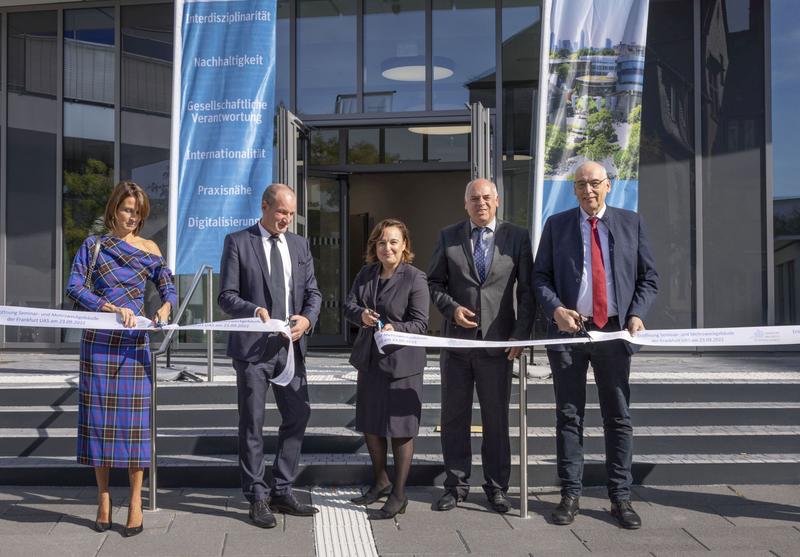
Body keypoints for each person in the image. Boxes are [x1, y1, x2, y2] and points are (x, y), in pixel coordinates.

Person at [533, 161, 658, 529]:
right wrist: (555, 309)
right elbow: (540, 276)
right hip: (570, 334)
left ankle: (620, 497)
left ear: (609, 186)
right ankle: (570, 494)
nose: (588, 190)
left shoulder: (631, 223)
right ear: (573, 190)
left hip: (615, 332)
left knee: (617, 417)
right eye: (581, 184)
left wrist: (636, 313)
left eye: (595, 183)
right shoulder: (557, 226)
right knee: (569, 416)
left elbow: (649, 277)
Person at [65, 181, 177, 537]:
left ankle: (135, 502)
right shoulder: (93, 245)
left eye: (138, 212)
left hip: (133, 346)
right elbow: (75, 287)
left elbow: (168, 285)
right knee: (99, 423)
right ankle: (103, 498)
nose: (133, 217)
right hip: (98, 343)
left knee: (134, 427)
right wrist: (107, 307)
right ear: (114, 208)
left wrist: (165, 305)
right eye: (128, 210)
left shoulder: (149, 248)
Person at [218, 183, 322, 529]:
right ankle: (257, 496)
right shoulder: (238, 242)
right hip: (254, 351)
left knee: (299, 415)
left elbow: (313, 293)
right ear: (264, 207)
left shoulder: (299, 245)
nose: (286, 221)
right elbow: (226, 296)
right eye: (281, 212)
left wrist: (307, 319)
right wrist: (254, 310)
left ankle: (281, 488)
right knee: (253, 423)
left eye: (291, 215)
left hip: (290, 348)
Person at [428, 178, 534, 513]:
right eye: (474, 198)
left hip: (499, 346)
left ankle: (497, 487)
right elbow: (434, 282)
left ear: (497, 201)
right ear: (466, 204)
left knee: (496, 419)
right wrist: (451, 309)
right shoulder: (449, 235)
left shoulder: (516, 236)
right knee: (455, 417)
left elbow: (528, 292)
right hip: (457, 346)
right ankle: (456, 485)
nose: (481, 203)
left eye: (487, 198)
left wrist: (520, 335)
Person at [344, 219, 430, 520]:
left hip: (402, 364)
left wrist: (396, 328)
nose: (387, 247)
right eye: (381, 242)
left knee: (401, 430)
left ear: (404, 245)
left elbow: (421, 323)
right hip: (370, 361)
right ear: (375, 247)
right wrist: (361, 314)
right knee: (370, 424)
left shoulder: (415, 278)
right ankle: (380, 481)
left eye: (393, 241)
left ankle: (399, 494)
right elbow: (349, 305)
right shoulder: (367, 273)